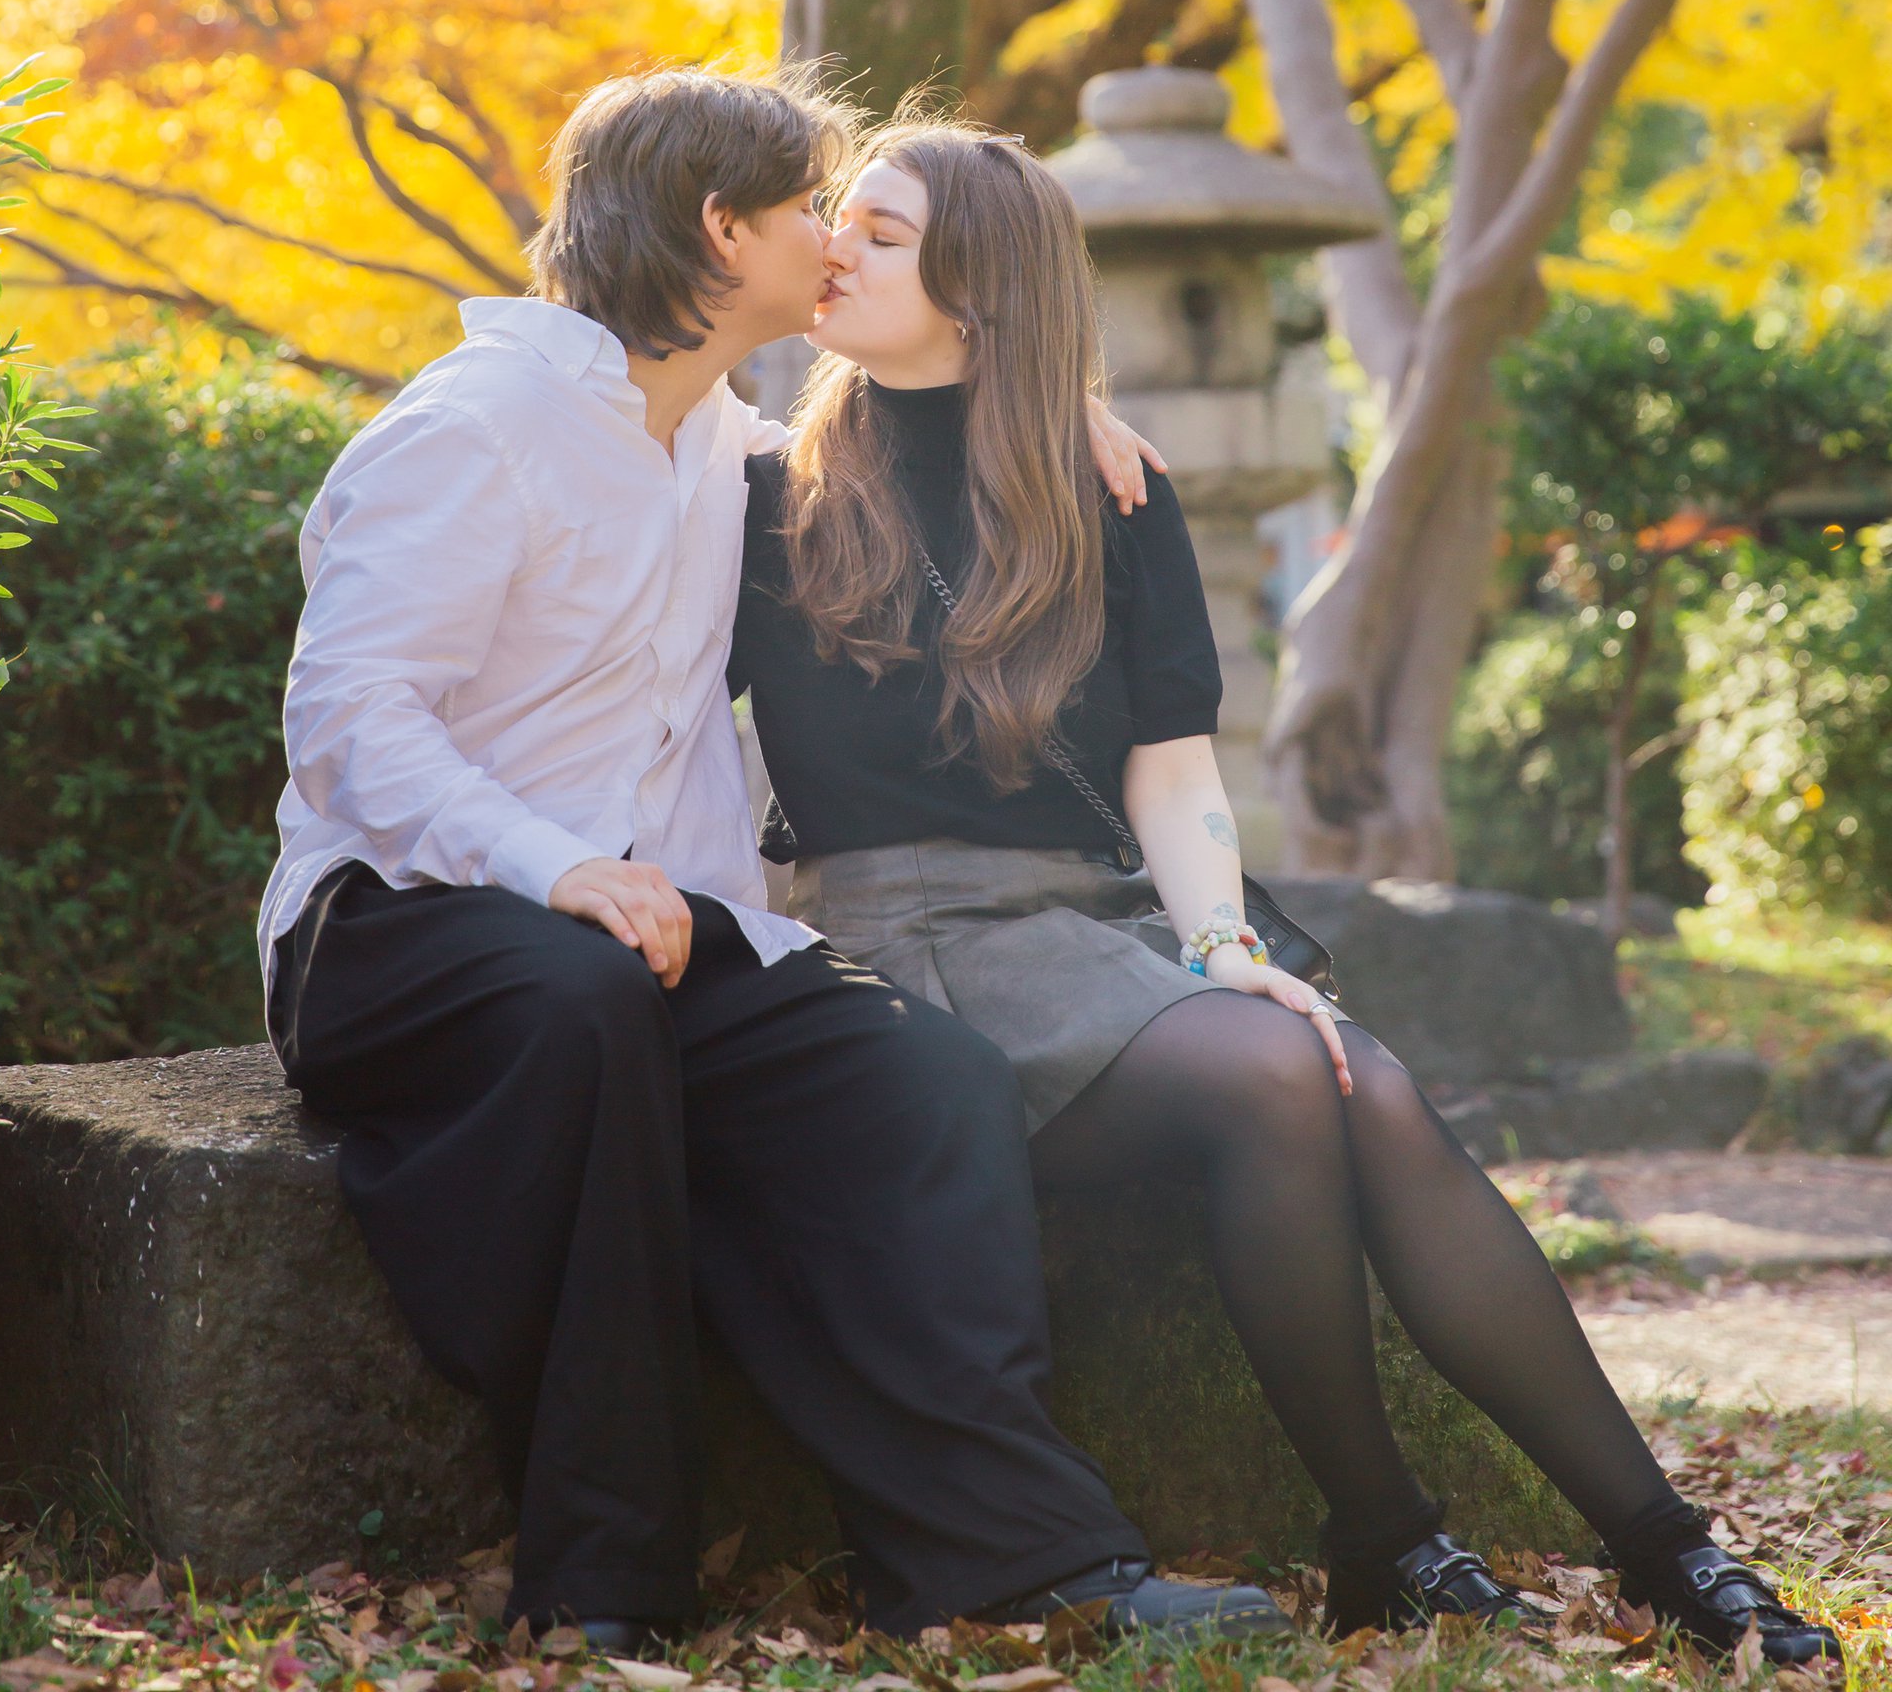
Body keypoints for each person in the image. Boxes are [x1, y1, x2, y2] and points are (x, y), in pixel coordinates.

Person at [729, 115, 1841, 1667]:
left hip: (1088, 927)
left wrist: (1221, 941)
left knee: (1349, 1075)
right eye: (839, 217)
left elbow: (1172, 769)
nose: (835, 245)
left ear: (984, 295)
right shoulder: (757, 487)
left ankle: (1664, 1548)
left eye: (882, 230)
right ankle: (1385, 1528)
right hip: (902, 945)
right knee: (1281, 1073)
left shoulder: (1106, 494)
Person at [259, 66, 1294, 1652]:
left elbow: (907, 451)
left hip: (648, 936)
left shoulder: (719, 449)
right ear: (718, 228)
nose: (836, 235)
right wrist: (552, 868)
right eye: (812, 205)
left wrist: (1046, 404)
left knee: (926, 1081)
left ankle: (1019, 1563)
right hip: (397, 926)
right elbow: (347, 721)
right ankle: (601, 1586)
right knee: (586, 1007)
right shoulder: (475, 429)